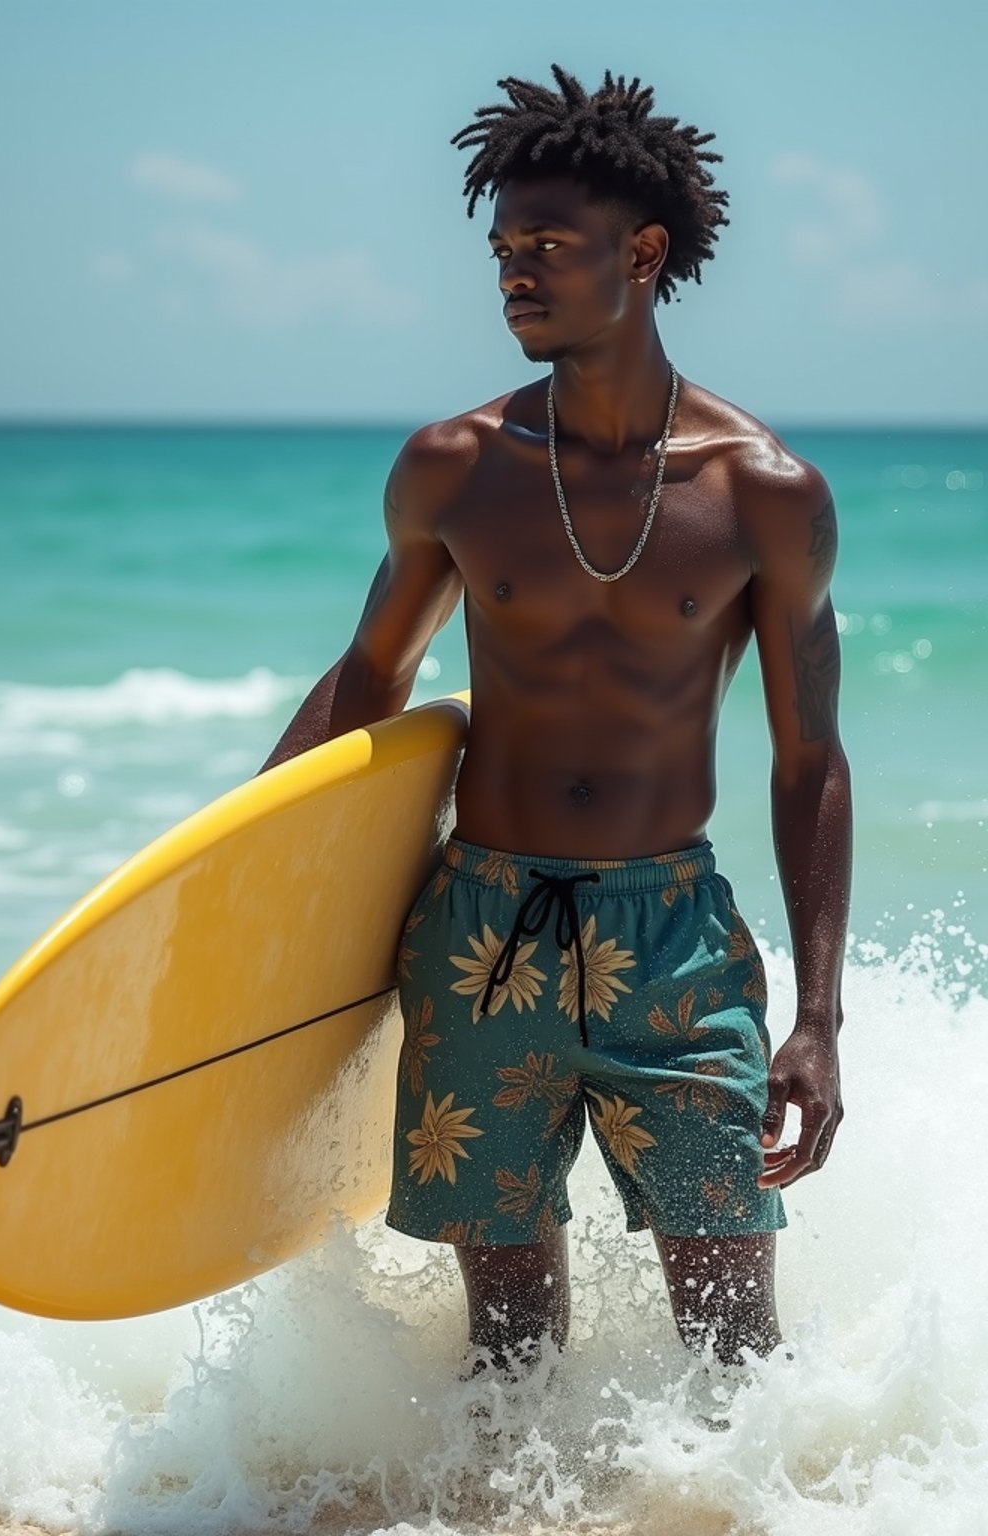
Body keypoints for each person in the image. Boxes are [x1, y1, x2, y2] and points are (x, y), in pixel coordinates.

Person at [260, 65, 852, 1377]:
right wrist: (237, 883)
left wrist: (818, 1015)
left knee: (732, 1334)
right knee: (508, 1342)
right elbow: (371, 681)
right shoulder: (454, 467)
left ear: (641, 254)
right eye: (503, 250)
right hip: (481, 927)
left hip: (677, 942)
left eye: (548, 247)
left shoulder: (764, 493)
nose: (515, 273)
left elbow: (809, 757)